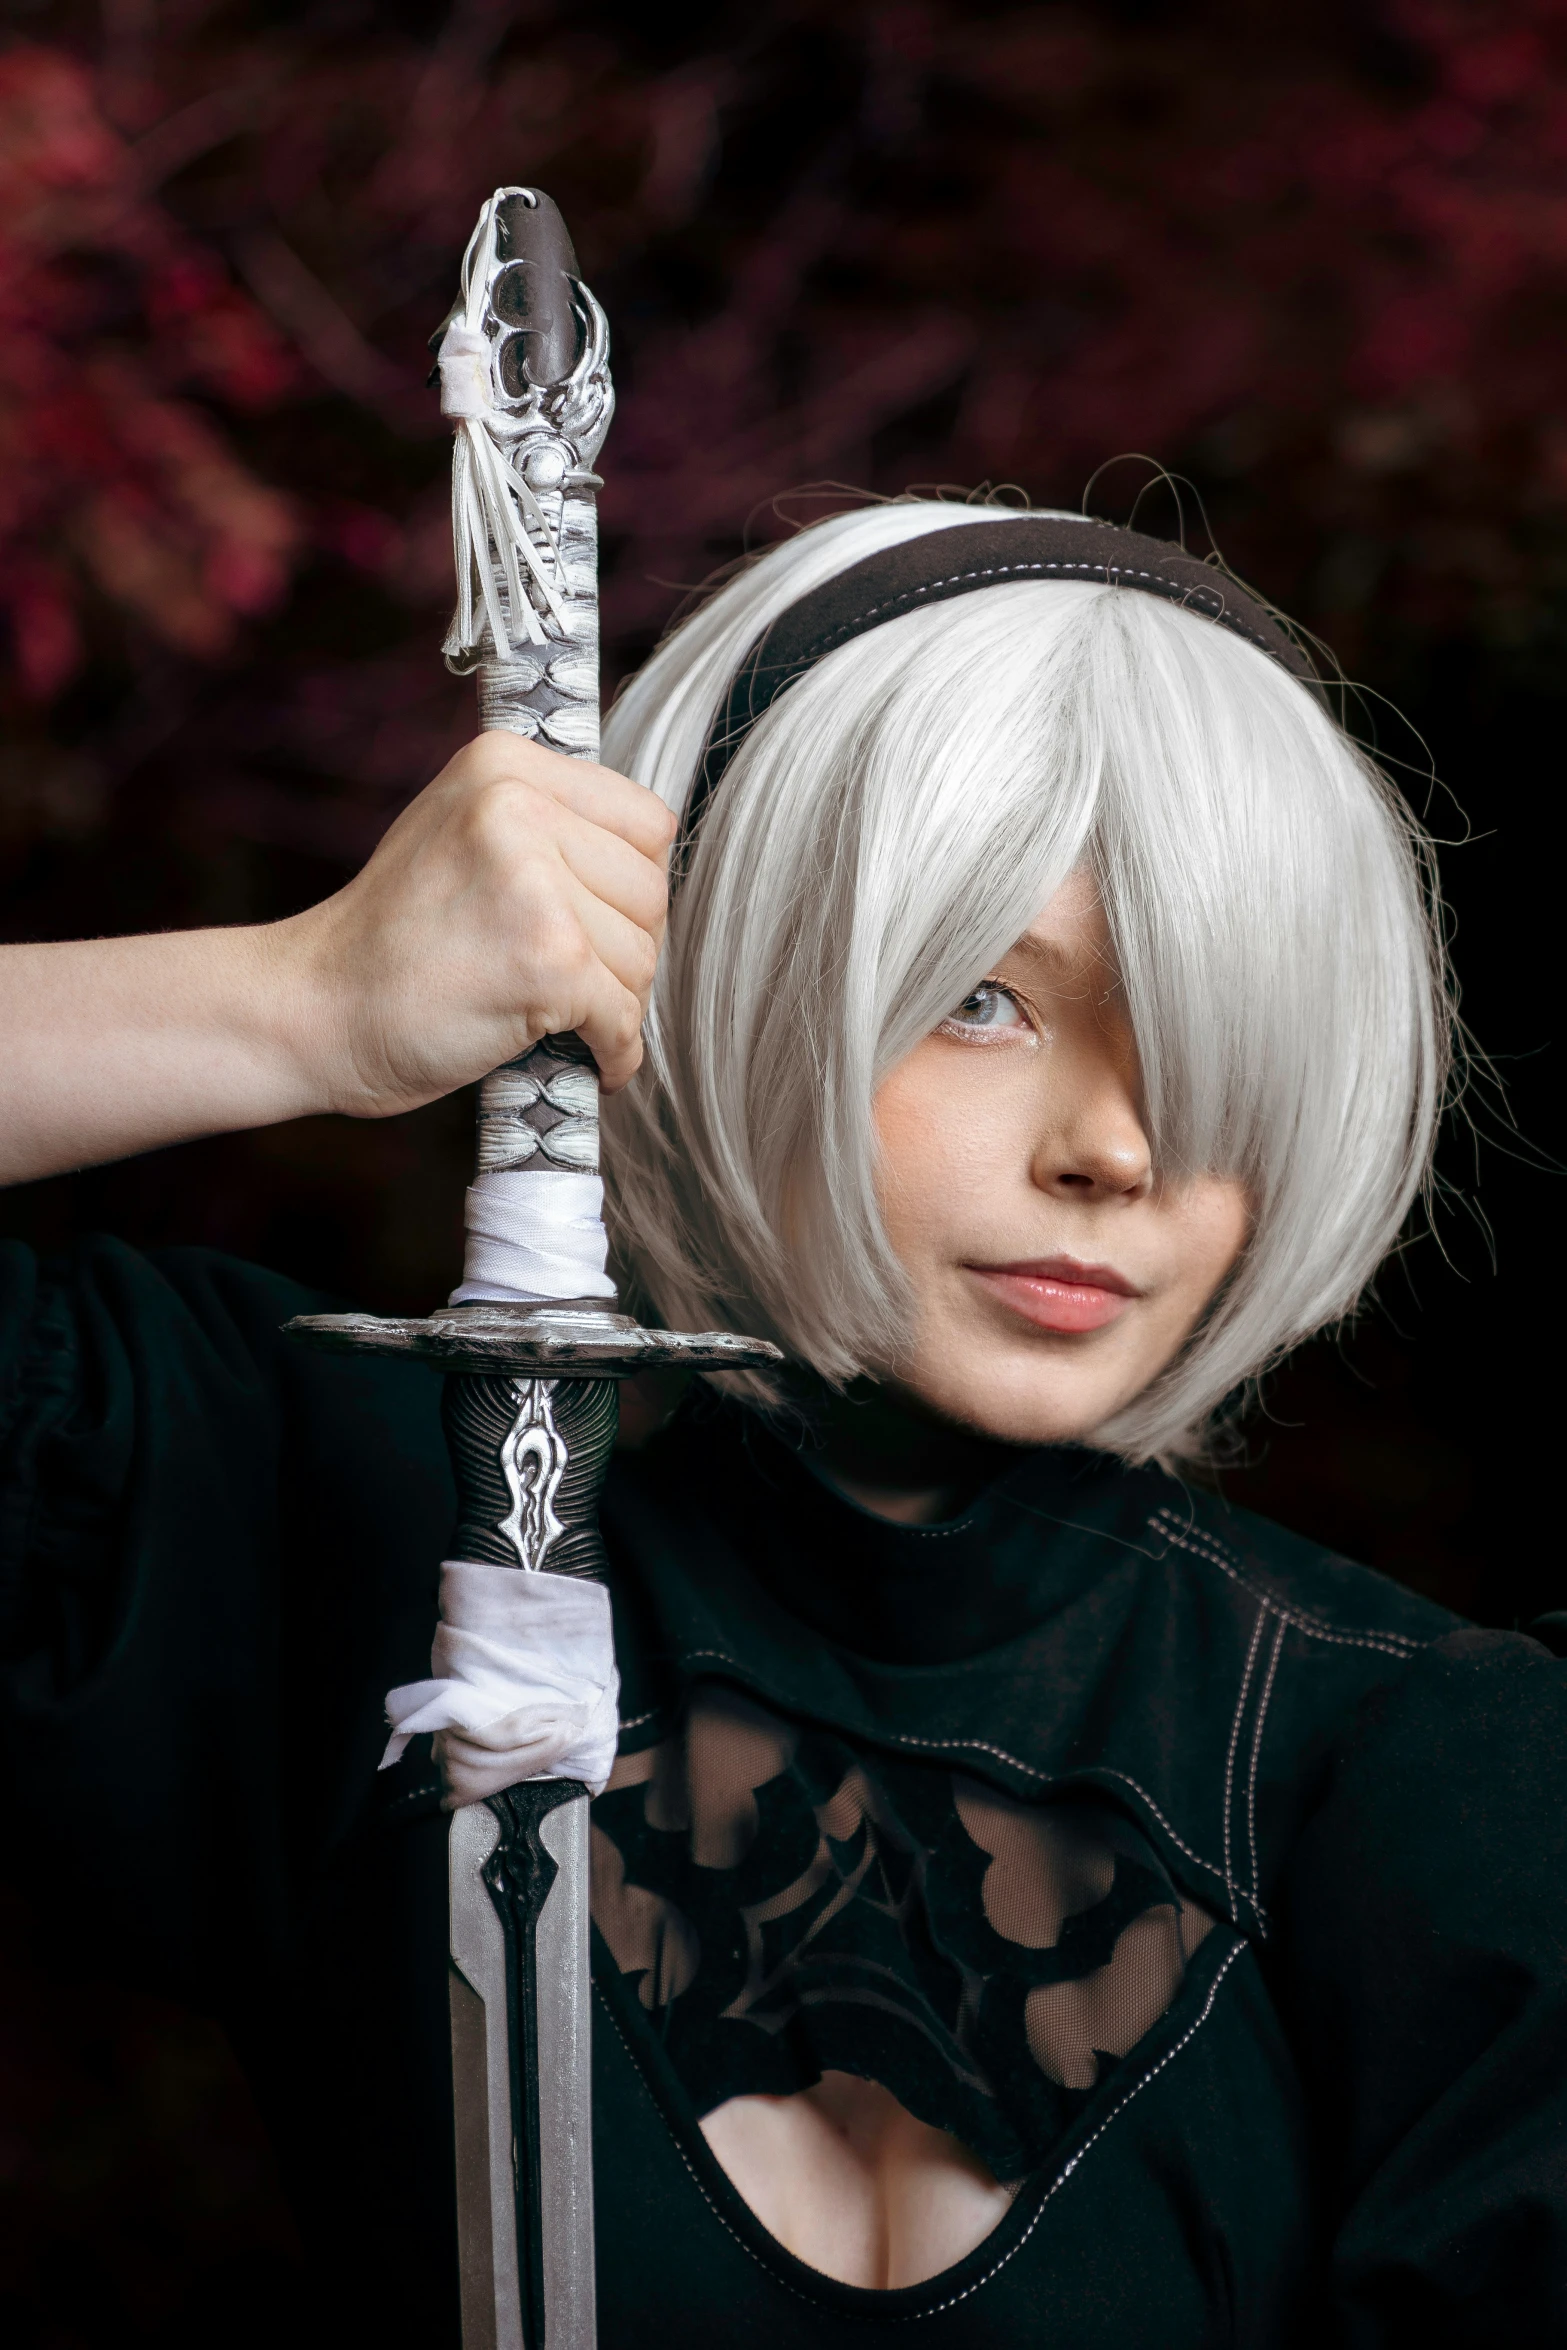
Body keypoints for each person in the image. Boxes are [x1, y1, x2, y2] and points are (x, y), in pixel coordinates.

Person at [0, 498, 1562, 2347]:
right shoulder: (370, 1523)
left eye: (1208, 1039)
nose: (1113, 1147)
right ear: (730, 977)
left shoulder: (1428, 1772)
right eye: (983, 1000)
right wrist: (298, 1001)